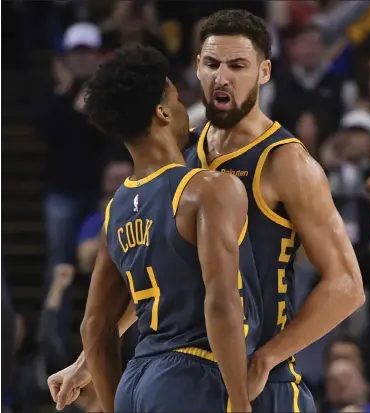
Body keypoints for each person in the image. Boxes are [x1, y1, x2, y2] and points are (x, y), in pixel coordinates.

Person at [48, 10, 365, 413]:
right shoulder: (180, 158)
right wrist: (84, 362)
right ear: (197, 67)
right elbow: (163, 277)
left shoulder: (285, 162)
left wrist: (267, 357)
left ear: (264, 72)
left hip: (262, 377)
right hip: (197, 375)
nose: (223, 76)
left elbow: (346, 286)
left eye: (238, 65)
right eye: (213, 64)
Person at [78, 44, 262, 412]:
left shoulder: (114, 211)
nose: (186, 113)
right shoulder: (208, 189)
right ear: (162, 112)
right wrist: (240, 402)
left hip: (137, 379)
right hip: (194, 373)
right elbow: (222, 303)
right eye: (178, 101)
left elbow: (94, 327)